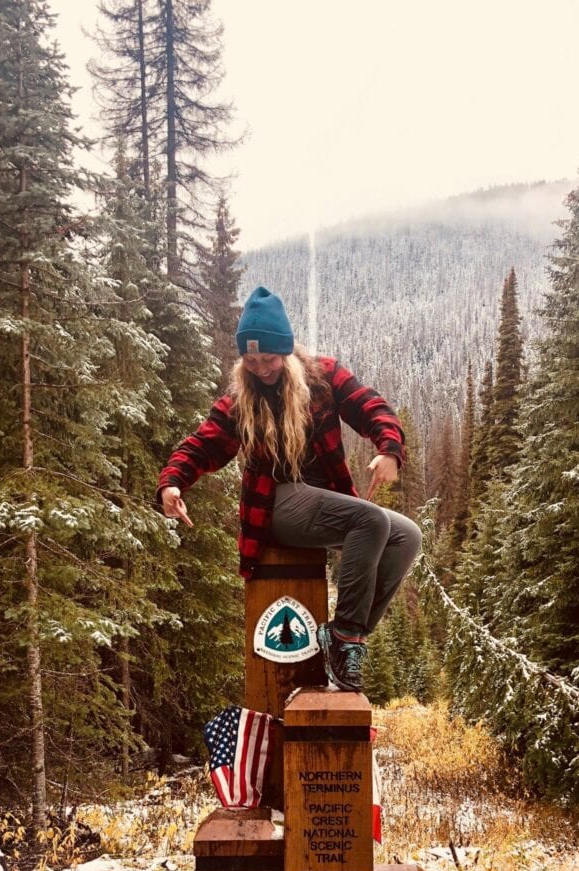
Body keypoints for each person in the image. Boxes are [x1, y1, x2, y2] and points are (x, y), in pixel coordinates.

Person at [157, 286, 422, 693]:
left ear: (287, 351)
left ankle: (349, 637)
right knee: (368, 519)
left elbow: (371, 406)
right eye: (251, 360)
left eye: (269, 359)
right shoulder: (239, 400)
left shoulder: (324, 377)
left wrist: (389, 448)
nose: (261, 368)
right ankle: (345, 637)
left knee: (406, 536)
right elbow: (203, 444)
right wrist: (172, 482)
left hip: (322, 501)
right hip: (277, 506)